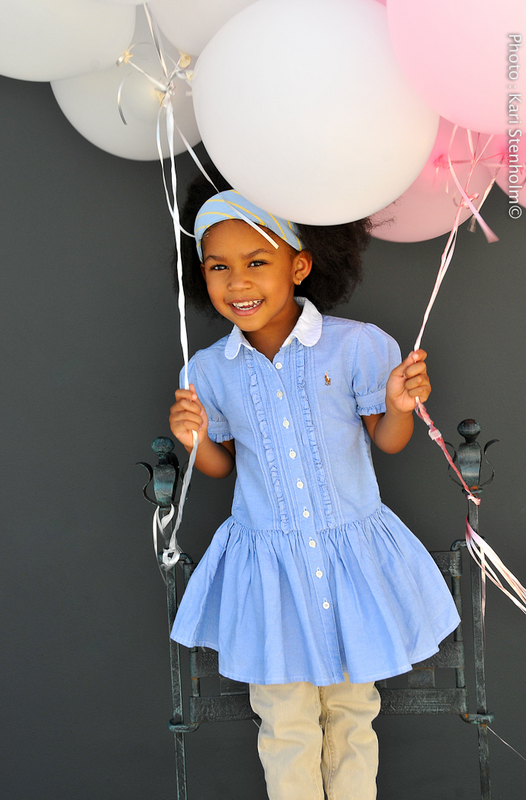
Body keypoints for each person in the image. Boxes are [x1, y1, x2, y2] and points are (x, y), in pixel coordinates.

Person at [168, 176, 460, 800]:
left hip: (351, 561)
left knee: (354, 712)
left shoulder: (356, 345)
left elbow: (388, 441)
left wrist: (397, 404)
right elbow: (221, 467)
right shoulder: (209, 370)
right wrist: (195, 441)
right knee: (284, 722)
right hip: (269, 570)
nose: (238, 282)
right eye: (218, 266)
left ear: (298, 265)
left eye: (256, 262)